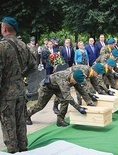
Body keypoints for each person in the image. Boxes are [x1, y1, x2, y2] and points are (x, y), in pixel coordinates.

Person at [0, 17, 36, 153]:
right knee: (21, 122)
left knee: (9, 125)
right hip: (20, 89)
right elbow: (33, 66)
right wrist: (21, 75)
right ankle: (23, 149)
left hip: (6, 91)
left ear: (4, 28)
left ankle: (12, 151)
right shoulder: (23, 45)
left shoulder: (2, 46)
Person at [26, 70, 92, 127]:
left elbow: (82, 91)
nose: (76, 83)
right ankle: (27, 116)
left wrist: (89, 102)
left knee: (64, 101)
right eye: (76, 82)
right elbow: (68, 97)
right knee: (40, 106)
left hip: (56, 87)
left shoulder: (74, 79)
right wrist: (78, 108)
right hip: (46, 88)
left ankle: (60, 120)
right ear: (73, 78)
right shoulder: (63, 80)